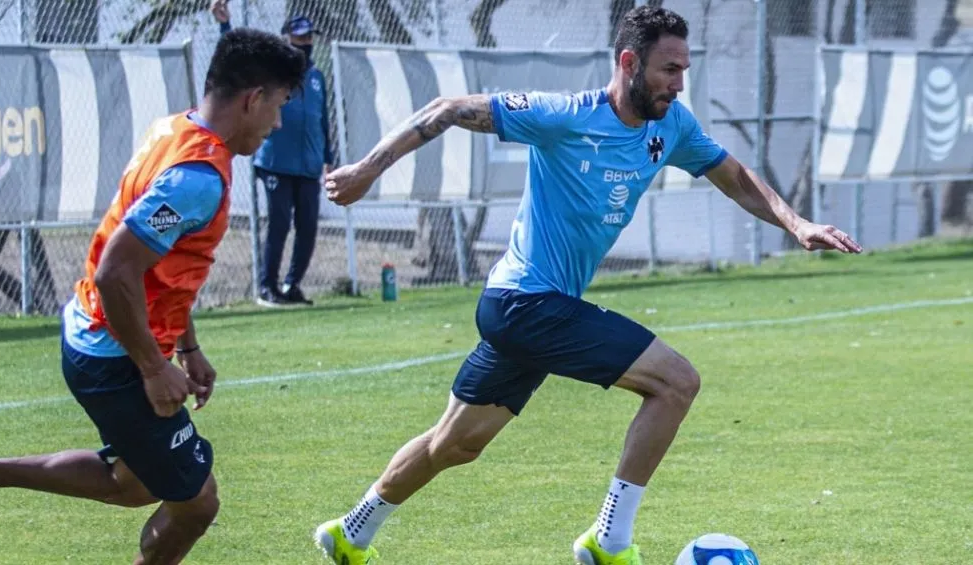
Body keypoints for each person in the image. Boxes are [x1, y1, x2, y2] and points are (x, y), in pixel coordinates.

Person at [314, 6, 862, 565]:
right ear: (629, 62)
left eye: (684, 69)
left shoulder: (671, 126)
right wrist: (365, 170)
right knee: (675, 383)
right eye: (669, 70)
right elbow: (448, 109)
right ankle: (609, 540)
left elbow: (732, 175)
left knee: (454, 444)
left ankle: (349, 532)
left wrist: (798, 224)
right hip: (526, 301)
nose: (679, 83)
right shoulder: (564, 115)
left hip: (530, 311)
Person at [0, 28, 306, 564]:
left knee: (137, 482)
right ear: (254, 99)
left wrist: (188, 347)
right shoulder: (197, 176)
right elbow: (114, 271)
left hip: (100, 333)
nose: (279, 122)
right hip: (115, 353)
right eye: (280, 105)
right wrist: (154, 367)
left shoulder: (174, 129)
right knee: (196, 502)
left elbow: (164, 266)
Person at [212, 0, 334, 307]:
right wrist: (225, 25)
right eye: (300, 37)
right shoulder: (272, 73)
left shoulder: (317, 77)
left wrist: (328, 160)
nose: (305, 43)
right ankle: (268, 287)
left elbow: (323, 121)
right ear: (287, 38)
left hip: (309, 165)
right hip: (276, 163)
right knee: (279, 224)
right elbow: (238, 63)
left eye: (309, 38)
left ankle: (292, 284)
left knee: (308, 227)